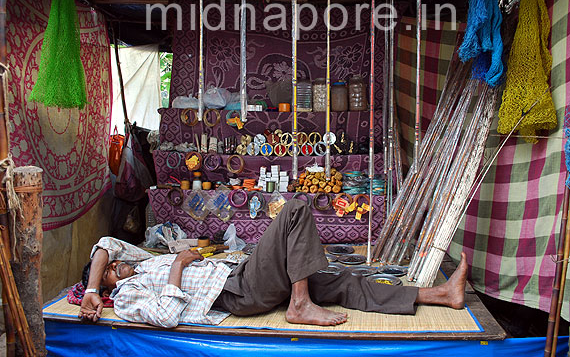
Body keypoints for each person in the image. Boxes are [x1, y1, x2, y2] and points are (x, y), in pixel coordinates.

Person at [79, 200, 468, 328]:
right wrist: (178, 266)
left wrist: (93, 288)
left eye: (115, 264)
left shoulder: (141, 263)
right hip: (238, 292)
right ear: (113, 283)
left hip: (238, 273)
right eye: (116, 268)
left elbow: (104, 245)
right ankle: (299, 305)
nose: (121, 263)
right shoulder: (130, 294)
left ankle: (440, 294)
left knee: (344, 280)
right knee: (295, 210)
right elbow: (166, 316)